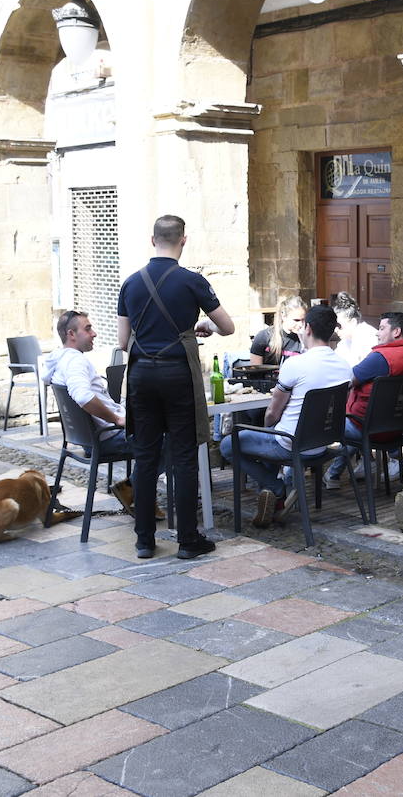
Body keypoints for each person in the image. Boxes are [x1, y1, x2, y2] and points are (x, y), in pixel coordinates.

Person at [117, 215, 234, 560]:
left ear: (152, 240)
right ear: (184, 240)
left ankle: (144, 540)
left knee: (146, 456)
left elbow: (124, 342)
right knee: (183, 457)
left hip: (141, 376)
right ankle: (187, 539)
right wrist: (200, 328)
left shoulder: (131, 283)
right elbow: (226, 327)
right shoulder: (192, 281)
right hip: (177, 375)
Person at [221, 305, 353, 528]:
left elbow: (272, 412)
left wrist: (268, 427)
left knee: (228, 444)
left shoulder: (295, 364)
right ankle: (272, 496)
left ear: (307, 328)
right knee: (264, 441)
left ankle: (275, 487)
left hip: (290, 443)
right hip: (321, 443)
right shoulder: (345, 367)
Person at [325, 310, 403, 488]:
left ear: (396, 332)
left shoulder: (380, 358)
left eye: (381, 328)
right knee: (358, 426)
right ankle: (336, 473)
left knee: (326, 423)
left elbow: (349, 381)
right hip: (401, 428)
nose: (377, 333)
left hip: (367, 427)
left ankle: (310, 477)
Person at [41, 310, 128, 459]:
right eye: (87, 329)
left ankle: (137, 481)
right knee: (168, 438)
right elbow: (83, 397)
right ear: (71, 334)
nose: (94, 333)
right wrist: (116, 419)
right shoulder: (75, 362)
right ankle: (133, 483)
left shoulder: (59, 360)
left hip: (90, 439)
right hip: (108, 439)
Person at [249, 295, 306, 366]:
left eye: (303, 320)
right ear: (284, 316)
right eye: (296, 320)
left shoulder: (304, 340)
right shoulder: (263, 337)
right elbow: (255, 370)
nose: (301, 324)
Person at [331, 292, 380, 367]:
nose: (336, 330)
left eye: (339, 325)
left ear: (353, 322)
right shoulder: (346, 339)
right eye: (334, 325)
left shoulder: (369, 338)